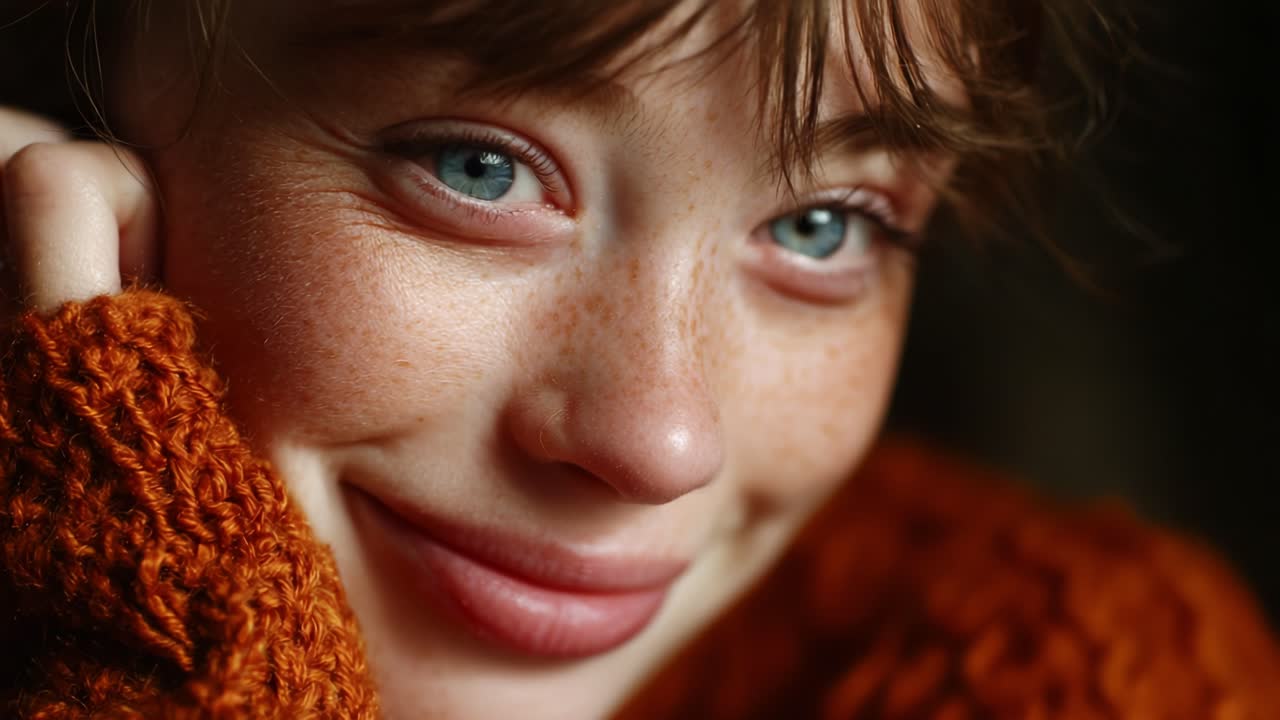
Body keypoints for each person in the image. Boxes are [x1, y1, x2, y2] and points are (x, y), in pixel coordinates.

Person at [1, 1, 1277, 718]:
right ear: (81, 94)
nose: (659, 444)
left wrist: (170, 659)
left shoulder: (1083, 674)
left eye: (820, 225)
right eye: (478, 167)